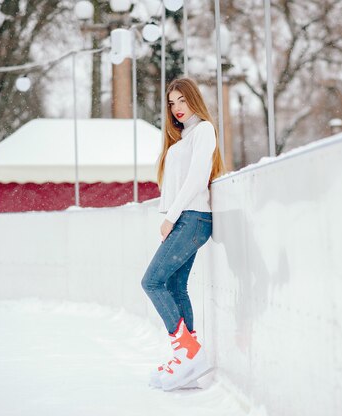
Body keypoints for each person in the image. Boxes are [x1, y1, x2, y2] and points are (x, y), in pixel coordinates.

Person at [141, 78, 226, 391]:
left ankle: (188, 351)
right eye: (171, 103)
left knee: (151, 281)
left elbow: (196, 179)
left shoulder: (203, 129)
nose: (176, 108)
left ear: (193, 100)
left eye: (181, 100)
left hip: (193, 218)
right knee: (175, 285)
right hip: (184, 219)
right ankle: (188, 361)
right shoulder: (183, 136)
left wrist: (172, 218)